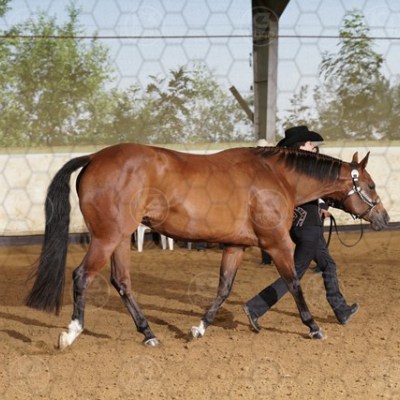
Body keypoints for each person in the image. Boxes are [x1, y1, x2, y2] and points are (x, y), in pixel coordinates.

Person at [244, 125, 359, 332]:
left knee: (328, 265)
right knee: (293, 275)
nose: (313, 147)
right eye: (309, 143)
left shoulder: (289, 169)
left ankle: (341, 309)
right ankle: (256, 306)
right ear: (300, 146)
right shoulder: (303, 170)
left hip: (301, 225)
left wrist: (322, 207)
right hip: (309, 228)